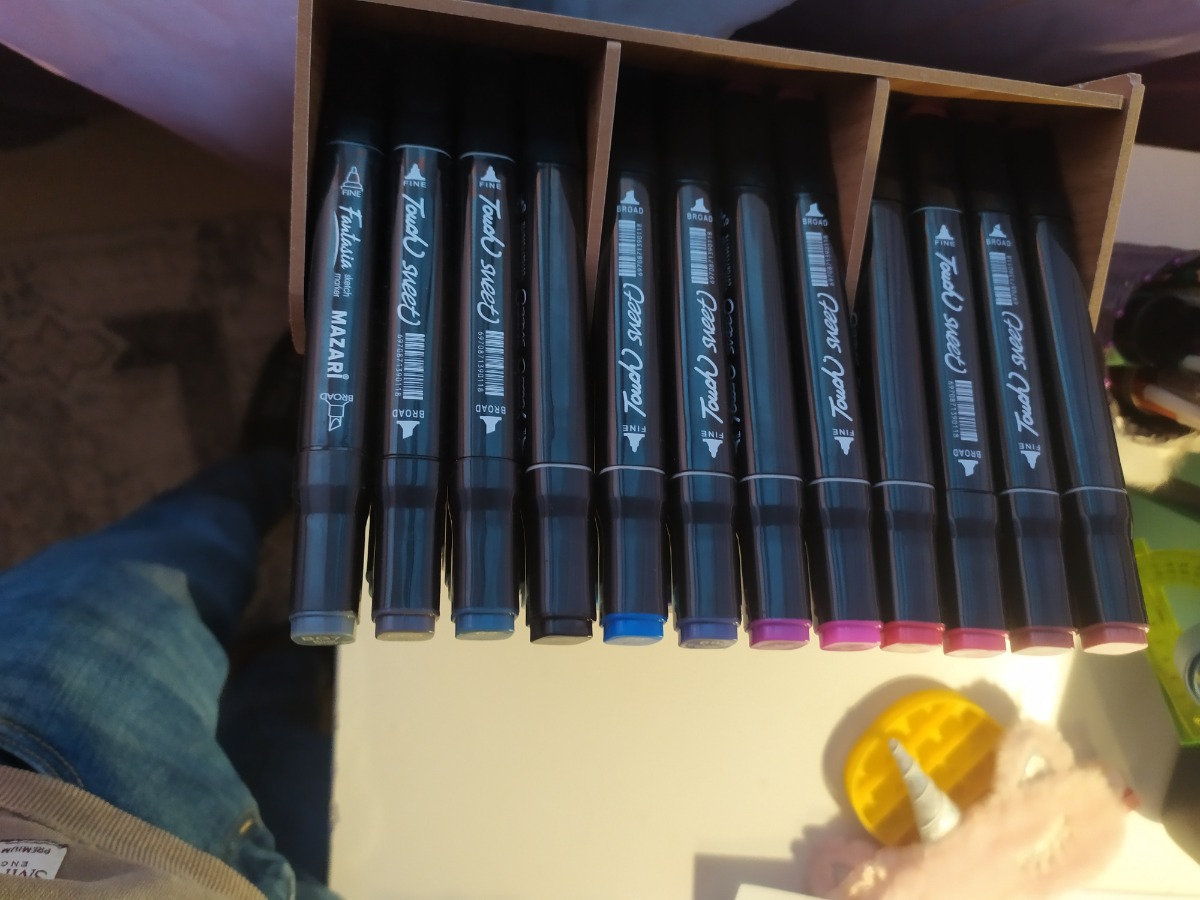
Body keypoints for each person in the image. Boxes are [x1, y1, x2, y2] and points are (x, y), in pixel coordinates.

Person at [0, 339, 338, 899]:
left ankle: (275, 464)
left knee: (168, 558)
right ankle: (284, 657)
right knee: (305, 744)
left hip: (40, 791)